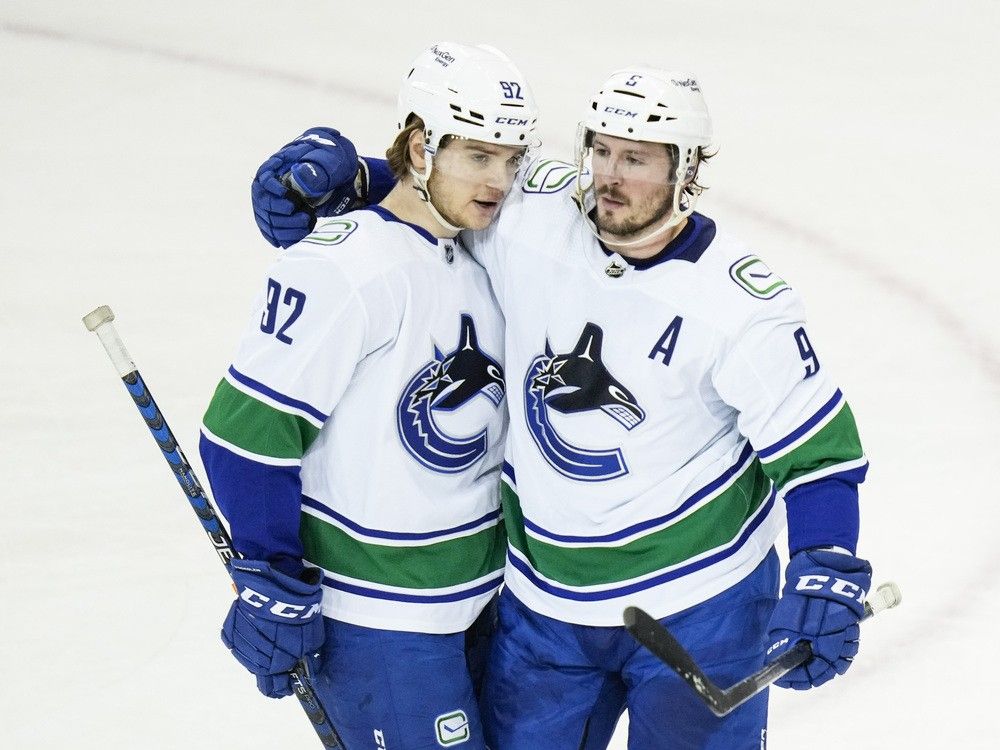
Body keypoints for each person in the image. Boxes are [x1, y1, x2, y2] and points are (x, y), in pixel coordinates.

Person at [248, 67, 873, 749]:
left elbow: (821, 459)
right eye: (601, 150)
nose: (610, 175)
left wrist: (826, 569)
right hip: (546, 610)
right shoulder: (535, 219)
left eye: (635, 159)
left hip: (703, 609)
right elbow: (454, 186)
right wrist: (354, 182)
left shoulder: (742, 307)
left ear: (686, 169)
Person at [199, 42, 540, 750]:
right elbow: (245, 435)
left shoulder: (483, 247)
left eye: (511, 159)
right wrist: (271, 573)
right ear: (422, 144)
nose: (499, 180)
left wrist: (360, 170)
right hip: (379, 624)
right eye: (478, 155)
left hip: (486, 605)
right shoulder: (344, 269)